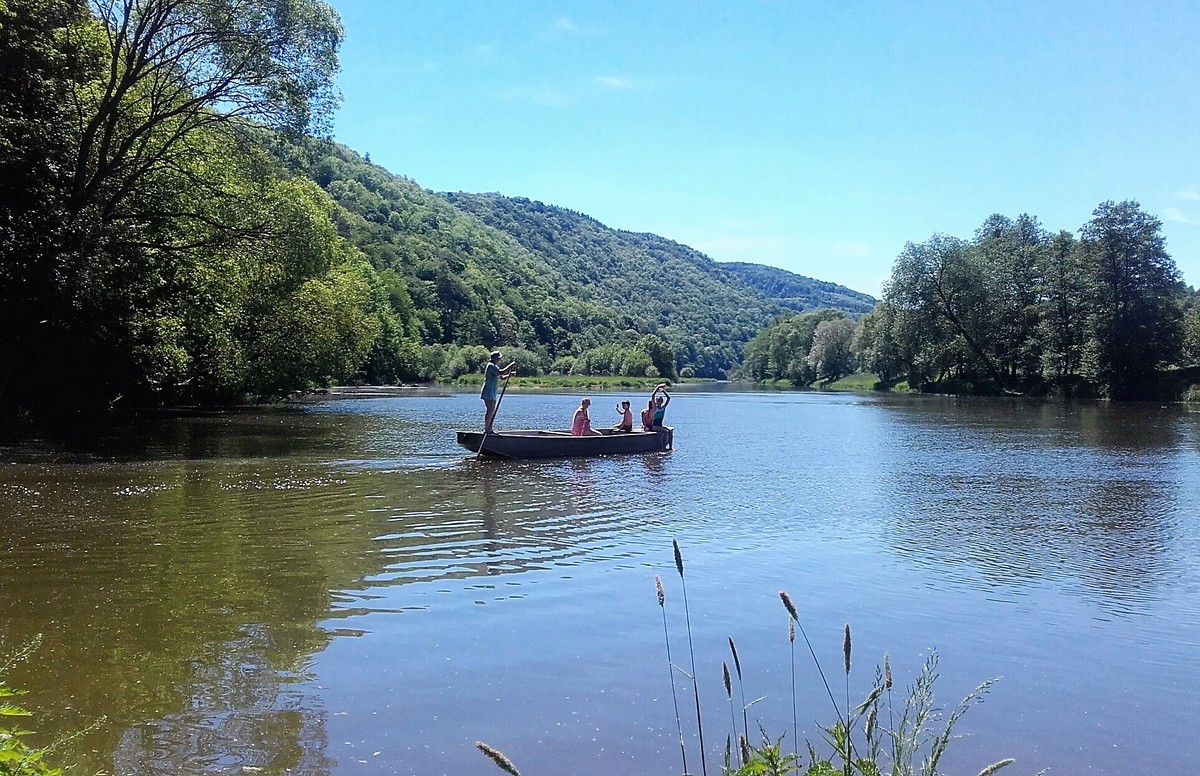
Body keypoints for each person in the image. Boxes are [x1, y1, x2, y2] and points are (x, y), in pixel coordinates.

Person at [481, 351, 517, 434]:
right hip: (488, 391)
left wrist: (509, 375)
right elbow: (501, 372)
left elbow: (501, 377)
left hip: (492, 392)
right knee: (490, 410)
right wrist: (510, 366)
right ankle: (487, 429)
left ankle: (490, 429)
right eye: (499, 358)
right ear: (495, 359)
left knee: (492, 410)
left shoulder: (495, 367)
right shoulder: (490, 366)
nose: (500, 360)